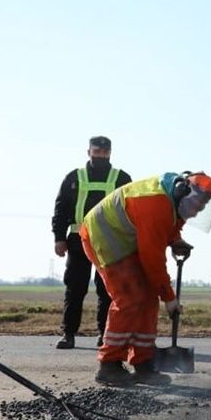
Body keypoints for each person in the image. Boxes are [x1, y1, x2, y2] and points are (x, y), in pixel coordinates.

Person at [80, 171, 211, 386]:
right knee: (130, 298)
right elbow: (152, 259)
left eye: (202, 208)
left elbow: (172, 223)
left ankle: (143, 363)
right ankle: (109, 365)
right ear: (184, 192)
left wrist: (175, 239)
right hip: (105, 235)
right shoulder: (155, 205)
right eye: (196, 205)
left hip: (128, 237)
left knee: (148, 299)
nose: (196, 212)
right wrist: (169, 297)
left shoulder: (172, 199)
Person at [51, 136, 132, 350]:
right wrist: (59, 238)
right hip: (79, 240)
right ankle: (68, 334)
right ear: (89, 152)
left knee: (108, 289)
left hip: (111, 241)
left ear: (110, 153)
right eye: (97, 152)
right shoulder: (74, 177)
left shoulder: (122, 178)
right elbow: (61, 209)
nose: (101, 156)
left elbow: (131, 210)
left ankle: (105, 334)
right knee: (75, 288)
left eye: (105, 153)